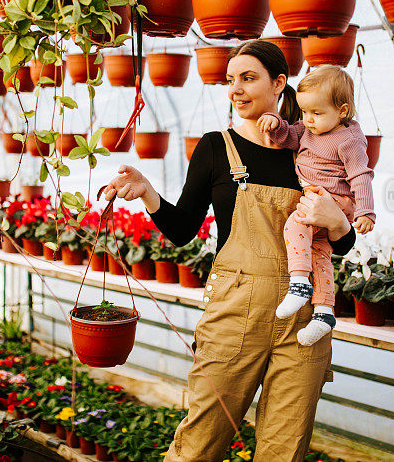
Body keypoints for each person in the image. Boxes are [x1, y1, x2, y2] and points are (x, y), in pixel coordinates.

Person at [103, 40, 357, 462]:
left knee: (284, 448)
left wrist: (338, 219)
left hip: (306, 318)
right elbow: (184, 229)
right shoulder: (216, 147)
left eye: (248, 78)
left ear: (279, 83)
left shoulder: (313, 148)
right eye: (230, 80)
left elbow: (341, 244)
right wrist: (149, 192)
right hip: (236, 311)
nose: (235, 89)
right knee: (200, 443)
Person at [257, 65, 375, 347]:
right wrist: (275, 123)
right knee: (319, 253)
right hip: (318, 198)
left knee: (295, 224)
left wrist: (366, 211)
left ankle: (299, 283)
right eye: (304, 112)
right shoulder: (310, 129)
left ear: (343, 111)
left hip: (335, 200)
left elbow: (361, 174)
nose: (308, 120)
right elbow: (289, 136)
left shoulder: (348, 140)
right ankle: (324, 312)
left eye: (316, 113)